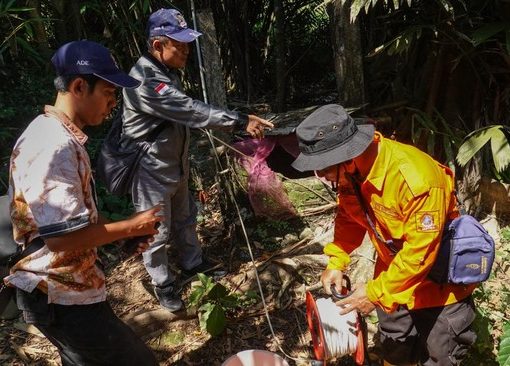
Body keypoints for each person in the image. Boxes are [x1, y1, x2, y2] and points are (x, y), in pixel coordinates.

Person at [5, 40, 161, 365]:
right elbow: (60, 238)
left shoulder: (55, 135)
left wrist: (123, 234)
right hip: (60, 294)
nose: (113, 103)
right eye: (108, 92)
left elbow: (76, 220)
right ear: (79, 86)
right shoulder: (54, 145)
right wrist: (131, 225)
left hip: (68, 290)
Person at [292, 104, 477, 366]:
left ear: (347, 155)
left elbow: (420, 254)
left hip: (439, 286)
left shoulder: (416, 179)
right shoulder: (351, 173)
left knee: (440, 355)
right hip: (391, 276)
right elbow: (349, 216)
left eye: (323, 167)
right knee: (394, 347)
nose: (319, 175)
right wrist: (337, 259)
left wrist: (375, 293)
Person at [119, 8, 274, 312]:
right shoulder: (144, 81)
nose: (186, 50)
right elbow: (189, 110)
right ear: (157, 45)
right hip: (150, 172)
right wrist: (239, 120)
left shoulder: (166, 73)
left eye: (187, 43)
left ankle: (193, 263)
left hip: (174, 165)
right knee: (156, 231)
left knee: (186, 216)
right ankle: (163, 283)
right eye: (180, 44)